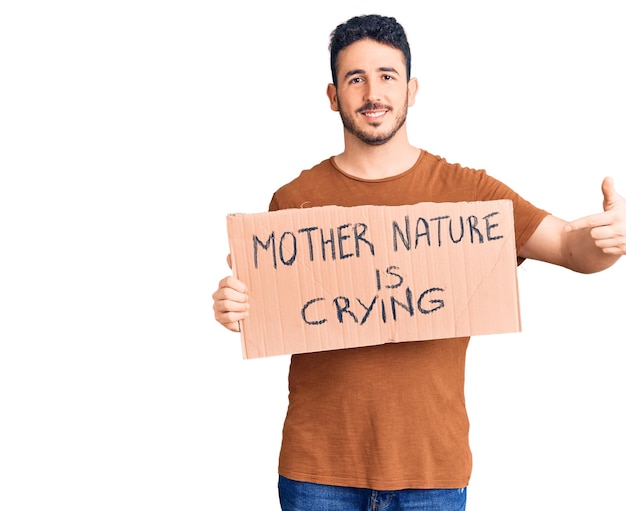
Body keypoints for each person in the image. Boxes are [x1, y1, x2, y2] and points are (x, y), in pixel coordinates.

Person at [212, 14, 625, 511]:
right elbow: (265, 312)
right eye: (355, 78)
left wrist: (606, 241)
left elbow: (566, 247)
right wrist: (233, 308)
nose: (372, 92)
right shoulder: (294, 202)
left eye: (387, 76)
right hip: (316, 471)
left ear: (410, 90)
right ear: (332, 95)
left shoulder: (469, 195)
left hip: (432, 473)